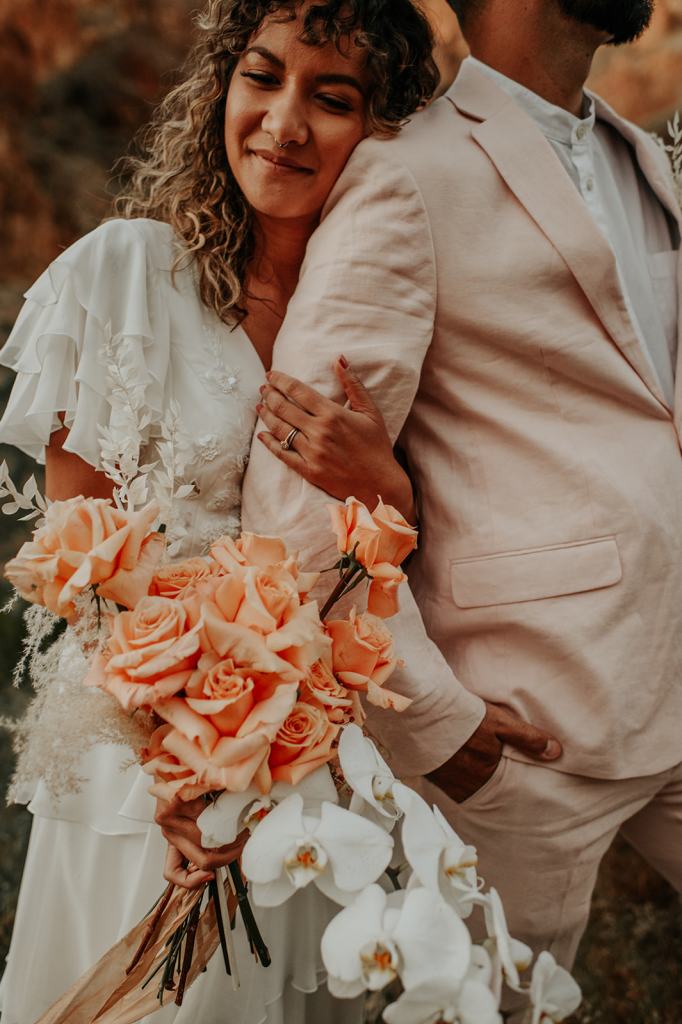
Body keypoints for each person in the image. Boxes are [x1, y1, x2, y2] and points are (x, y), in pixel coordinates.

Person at [235, 0, 682, 1017]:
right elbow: (298, 479)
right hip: (528, 726)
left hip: (676, 675)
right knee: (488, 1006)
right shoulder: (407, 171)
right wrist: (434, 720)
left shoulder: (636, 152)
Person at [0, 2, 443, 1022]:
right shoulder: (122, 274)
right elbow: (83, 559)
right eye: (262, 76)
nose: (283, 121)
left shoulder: (390, 326)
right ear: (221, 88)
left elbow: (395, 563)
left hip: (314, 752)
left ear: (379, 138)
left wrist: (388, 488)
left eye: (331, 99)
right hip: (138, 748)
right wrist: (189, 764)